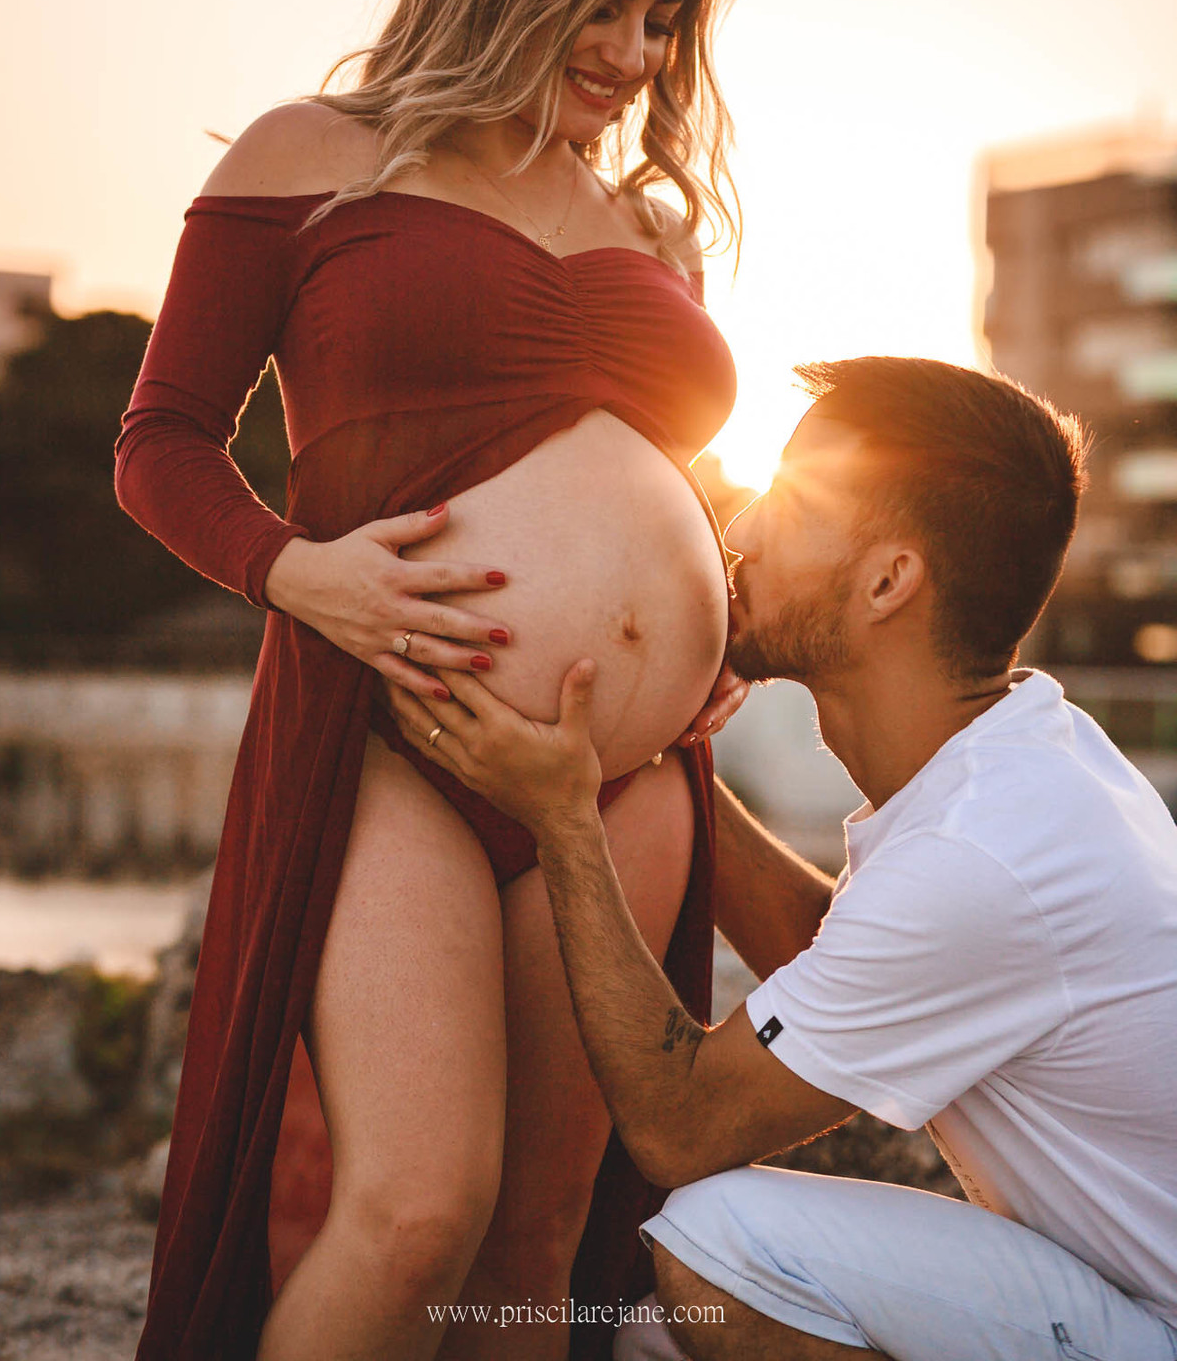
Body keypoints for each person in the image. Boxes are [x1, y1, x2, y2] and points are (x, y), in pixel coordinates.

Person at [114, 0, 752, 1361]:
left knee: (537, 1234)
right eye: (602, 0)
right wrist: (294, 573)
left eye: (663, 20)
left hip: (629, 778)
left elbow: (679, 477)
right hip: (400, 734)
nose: (632, 51)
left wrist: (723, 619)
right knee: (415, 1216)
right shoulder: (314, 159)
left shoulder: (650, 225)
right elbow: (161, 443)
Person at [389, 355, 1177, 1361]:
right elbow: (842, 953)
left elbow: (681, 1125)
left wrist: (567, 818)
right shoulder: (1030, 763)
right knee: (654, 1345)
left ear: (890, 582)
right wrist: (668, 745)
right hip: (1119, 1296)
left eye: (794, 505)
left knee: (723, 1253)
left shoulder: (981, 855)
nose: (742, 530)